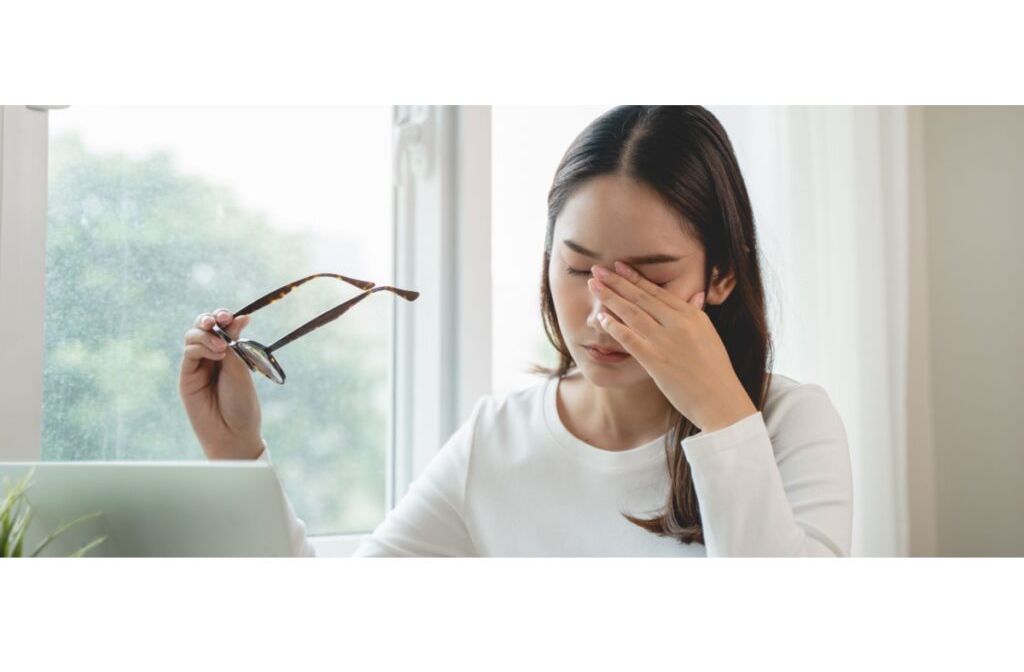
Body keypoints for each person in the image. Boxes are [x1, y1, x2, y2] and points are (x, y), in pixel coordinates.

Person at [179, 105, 853, 557]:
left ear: (723, 274)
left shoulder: (790, 426)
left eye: (647, 278)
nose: (602, 313)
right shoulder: (498, 441)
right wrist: (238, 458)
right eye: (579, 268)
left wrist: (724, 419)